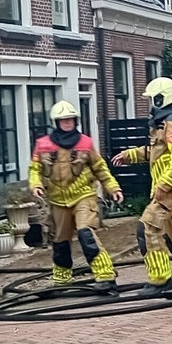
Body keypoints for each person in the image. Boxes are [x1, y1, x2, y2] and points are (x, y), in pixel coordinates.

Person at [111, 77, 172, 296]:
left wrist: (165, 183)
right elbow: (156, 151)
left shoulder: (171, 121)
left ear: (162, 99)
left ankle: (160, 279)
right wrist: (129, 155)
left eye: (153, 99)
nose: (151, 104)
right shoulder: (166, 122)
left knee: (148, 227)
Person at [29, 101, 124, 293]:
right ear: (56, 122)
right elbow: (35, 170)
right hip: (57, 200)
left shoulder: (86, 143)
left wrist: (113, 188)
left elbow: (100, 168)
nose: (67, 123)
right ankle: (62, 278)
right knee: (60, 240)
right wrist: (36, 185)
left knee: (85, 232)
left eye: (70, 119)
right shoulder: (42, 145)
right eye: (63, 120)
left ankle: (105, 275)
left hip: (83, 196)